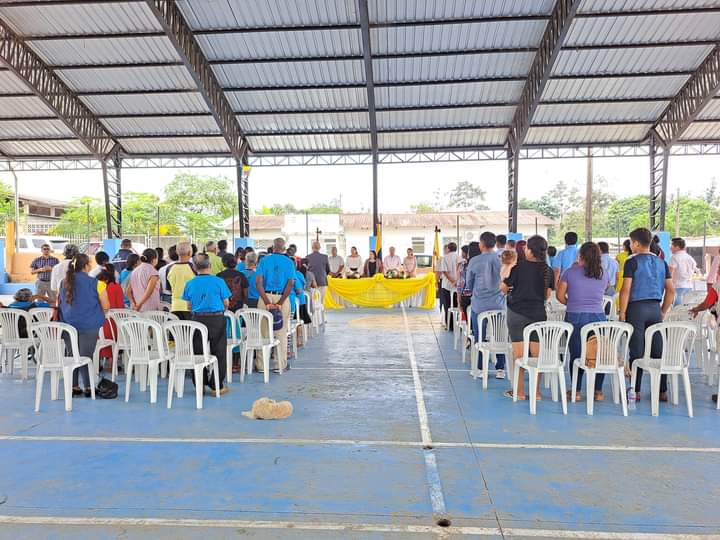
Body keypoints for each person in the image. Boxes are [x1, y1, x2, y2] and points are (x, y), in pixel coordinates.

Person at [619, 228, 674, 402]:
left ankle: (635, 391)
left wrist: (622, 312)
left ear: (635, 243)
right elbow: (671, 291)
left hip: (636, 308)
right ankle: (662, 391)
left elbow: (625, 289)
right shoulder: (662, 262)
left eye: (631, 242)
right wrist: (663, 311)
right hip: (655, 308)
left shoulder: (631, 261)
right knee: (658, 350)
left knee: (636, 350)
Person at [501, 235, 554, 400]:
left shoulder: (519, 267)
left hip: (516, 314)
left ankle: (519, 392)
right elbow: (547, 295)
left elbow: (503, 288)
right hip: (538, 315)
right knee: (536, 357)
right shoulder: (548, 270)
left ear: (530, 250)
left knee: (520, 356)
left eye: (526, 247)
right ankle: (536, 393)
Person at [556, 242, 610, 402]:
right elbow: (605, 289)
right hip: (598, 317)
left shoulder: (570, 272)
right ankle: (598, 391)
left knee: (576, 354)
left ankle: (576, 391)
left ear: (581, 256)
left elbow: (559, 295)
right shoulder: (603, 273)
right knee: (598, 353)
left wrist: (571, 303)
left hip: (575, 316)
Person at [58, 253, 109, 398]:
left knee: (72, 354)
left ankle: (73, 386)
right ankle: (88, 387)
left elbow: (61, 302)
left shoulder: (63, 282)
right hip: (89, 324)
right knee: (86, 355)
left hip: (68, 324)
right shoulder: (97, 283)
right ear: (86, 266)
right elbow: (106, 306)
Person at [182, 254, 231, 395]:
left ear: (194, 267)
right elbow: (226, 303)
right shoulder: (219, 281)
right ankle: (217, 385)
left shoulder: (190, 283)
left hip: (197, 320)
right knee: (219, 352)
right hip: (216, 319)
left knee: (198, 352)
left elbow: (189, 306)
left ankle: (199, 384)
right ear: (210, 266)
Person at [466, 232, 506, 378]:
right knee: (499, 337)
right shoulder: (501, 259)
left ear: (481, 244)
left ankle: (481, 368)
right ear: (494, 244)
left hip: (479, 305)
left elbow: (469, 283)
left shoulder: (474, 261)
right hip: (498, 305)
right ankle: (500, 369)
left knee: (480, 337)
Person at [256, 237, 295, 373]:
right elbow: (290, 283)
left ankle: (261, 365)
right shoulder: (289, 262)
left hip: (265, 296)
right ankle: (280, 365)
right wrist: (280, 302)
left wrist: (267, 302)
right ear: (284, 249)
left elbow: (258, 283)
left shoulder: (264, 260)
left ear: (273, 248)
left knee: (263, 332)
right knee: (281, 332)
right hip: (282, 297)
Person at [96, 264, 125, 371]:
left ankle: (97, 363)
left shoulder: (97, 287)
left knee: (98, 340)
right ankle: (112, 365)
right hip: (113, 321)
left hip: (99, 321)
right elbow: (120, 306)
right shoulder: (116, 287)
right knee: (114, 339)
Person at [167, 242, 196, 320]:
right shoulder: (194, 268)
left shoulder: (170, 268)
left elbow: (170, 289)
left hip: (175, 307)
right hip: (190, 307)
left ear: (177, 252)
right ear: (190, 253)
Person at [128, 248, 161, 313]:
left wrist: (133, 303)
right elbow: (149, 292)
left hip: (137, 309)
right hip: (150, 309)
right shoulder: (153, 271)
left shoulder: (134, 271)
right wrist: (139, 305)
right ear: (154, 259)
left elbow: (128, 291)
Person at [668, 237, 697, 306]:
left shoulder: (674, 257)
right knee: (686, 309)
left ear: (677, 247)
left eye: (672, 246)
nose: (670, 248)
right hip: (689, 287)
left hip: (678, 287)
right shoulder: (689, 257)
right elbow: (694, 269)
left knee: (677, 309)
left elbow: (669, 274)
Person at [438, 242, 459, 331]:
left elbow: (444, 271)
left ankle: (449, 325)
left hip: (446, 285)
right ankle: (457, 325)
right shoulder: (459, 257)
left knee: (447, 305)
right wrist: (455, 281)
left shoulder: (444, 258)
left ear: (448, 249)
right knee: (456, 305)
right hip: (457, 285)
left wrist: (451, 280)